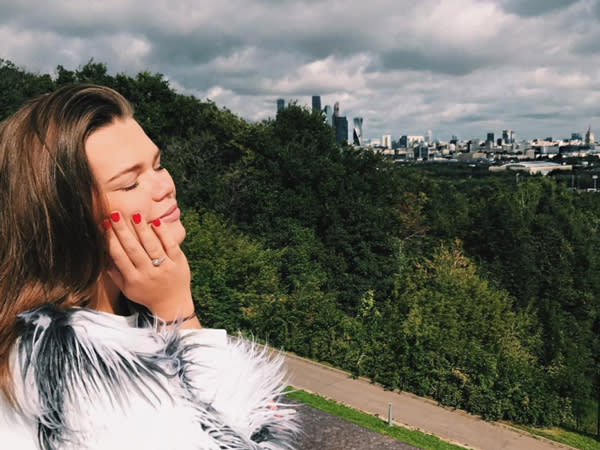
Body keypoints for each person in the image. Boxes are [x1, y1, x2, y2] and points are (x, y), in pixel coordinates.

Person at [0, 84, 298, 449]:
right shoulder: (76, 375)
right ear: (68, 221)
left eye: (157, 164)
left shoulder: (100, 322)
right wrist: (179, 312)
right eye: (130, 183)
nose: (165, 186)